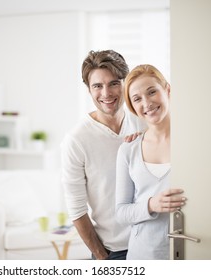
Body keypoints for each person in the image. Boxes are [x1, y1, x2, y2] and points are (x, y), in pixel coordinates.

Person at [61, 50, 146, 260]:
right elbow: (76, 209)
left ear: (126, 83)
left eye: (114, 83)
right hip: (114, 251)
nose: (106, 93)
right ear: (89, 90)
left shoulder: (143, 123)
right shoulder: (76, 140)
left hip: (152, 241)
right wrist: (101, 256)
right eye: (97, 86)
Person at [115, 64, 186, 260]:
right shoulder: (128, 150)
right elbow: (121, 212)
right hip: (143, 255)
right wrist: (151, 205)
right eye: (137, 99)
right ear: (132, 107)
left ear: (168, 90)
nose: (146, 103)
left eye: (152, 92)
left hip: (192, 249)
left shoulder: (192, 142)